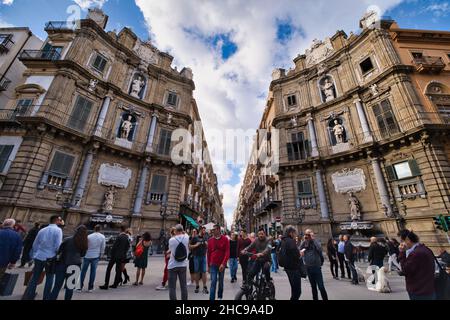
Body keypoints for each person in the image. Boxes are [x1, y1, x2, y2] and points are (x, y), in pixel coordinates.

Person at [22, 215, 63, 300]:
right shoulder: (58, 230)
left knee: (35, 276)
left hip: (39, 256)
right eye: (60, 220)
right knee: (49, 277)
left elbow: (35, 244)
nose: (60, 221)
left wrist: (35, 254)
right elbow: (58, 246)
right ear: (56, 220)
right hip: (50, 257)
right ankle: (46, 297)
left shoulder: (42, 230)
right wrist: (56, 254)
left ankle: (29, 295)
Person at [49, 225, 88, 300]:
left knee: (57, 287)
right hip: (75, 266)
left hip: (63, 263)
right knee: (70, 288)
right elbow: (83, 254)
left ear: (76, 231)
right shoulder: (84, 242)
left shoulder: (67, 239)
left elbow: (59, 251)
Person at [398, 229, 436, 300]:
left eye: (401, 241)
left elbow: (405, 270)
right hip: (428, 289)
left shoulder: (416, 253)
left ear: (407, 240)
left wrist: (401, 252)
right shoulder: (425, 248)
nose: (401, 244)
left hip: (419, 291)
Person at [300, 229, 328, 300]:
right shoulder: (304, 242)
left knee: (321, 286)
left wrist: (313, 239)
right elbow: (300, 250)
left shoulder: (316, 242)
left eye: (309, 234)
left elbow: (319, 249)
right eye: (306, 234)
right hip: (308, 267)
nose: (307, 236)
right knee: (313, 287)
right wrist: (304, 241)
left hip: (316, 267)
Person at [99, 225, 130, 290]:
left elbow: (114, 247)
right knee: (118, 270)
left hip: (115, 256)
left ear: (120, 230)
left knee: (109, 269)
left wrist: (110, 254)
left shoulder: (119, 237)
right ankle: (115, 284)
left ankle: (106, 284)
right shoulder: (127, 237)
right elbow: (127, 247)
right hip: (122, 256)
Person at [79, 225, 105, 292]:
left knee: (83, 271)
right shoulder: (102, 237)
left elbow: (85, 245)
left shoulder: (89, 236)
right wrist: (101, 254)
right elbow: (103, 247)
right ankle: (90, 287)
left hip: (87, 255)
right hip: (96, 255)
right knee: (93, 272)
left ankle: (80, 287)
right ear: (100, 229)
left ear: (94, 229)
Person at [207, 224, 230, 301]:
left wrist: (223, 263)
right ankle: (212, 299)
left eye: (214, 230)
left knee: (220, 282)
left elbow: (227, 252)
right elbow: (208, 253)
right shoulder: (210, 240)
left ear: (219, 230)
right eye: (212, 230)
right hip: (213, 264)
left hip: (221, 265)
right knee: (213, 282)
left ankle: (220, 297)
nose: (213, 231)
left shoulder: (225, 239)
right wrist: (208, 266)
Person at [168, 224, 189, 300]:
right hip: (183, 265)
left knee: (172, 288)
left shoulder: (171, 240)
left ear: (175, 231)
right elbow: (185, 233)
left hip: (172, 265)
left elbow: (170, 249)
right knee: (183, 286)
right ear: (182, 230)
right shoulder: (187, 238)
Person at [280, 226, 302, 300]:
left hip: (287, 267)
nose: (295, 235)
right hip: (293, 268)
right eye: (294, 233)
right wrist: (300, 254)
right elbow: (296, 254)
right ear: (291, 233)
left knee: (294, 289)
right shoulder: (290, 241)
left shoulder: (283, 241)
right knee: (297, 291)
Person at [189, 226, 209, 294]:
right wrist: (196, 245)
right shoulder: (195, 238)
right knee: (197, 272)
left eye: (204, 230)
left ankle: (204, 286)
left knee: (204, 272)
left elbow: (208, 247)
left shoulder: (205, 238)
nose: (204, 231)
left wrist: (207, 245)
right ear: (200, 230)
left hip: (203, 257)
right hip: (196, 257)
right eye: (203, 230)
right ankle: (197, 286)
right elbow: (189, 247)